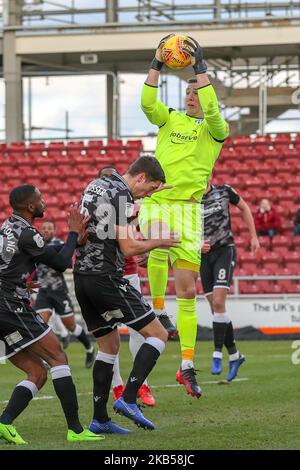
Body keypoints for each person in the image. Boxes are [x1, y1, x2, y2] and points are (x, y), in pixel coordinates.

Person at [138, 34, 229, 398]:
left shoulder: (214, 130)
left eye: (196, 93)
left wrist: (199, 66)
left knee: (189, 292)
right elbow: (147, 104)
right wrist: (157, 63)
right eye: (189, 93)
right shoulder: (169, 120)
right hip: (159, 202)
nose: (190, 97)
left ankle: (187, 366)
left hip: (191, 211)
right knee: (158, 245)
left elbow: (213, 108)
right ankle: (158, 311)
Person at [74, 156, 179, 433]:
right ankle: (129, 399)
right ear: (141, 177)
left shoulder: (96, 184)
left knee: (108, 348)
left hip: (82, 277)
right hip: (106, 277)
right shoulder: (121, 193)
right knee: (158, 334)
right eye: (151, 187)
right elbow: (130, 247)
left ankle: (99, 421)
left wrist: (136, 246)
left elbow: (101, 232)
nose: (149, 193)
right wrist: (160, 242)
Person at [0, 185, 104, 445]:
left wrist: (18, 280)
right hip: (11, 307)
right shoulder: (28, 232)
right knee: (58, 357)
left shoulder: (8, 227)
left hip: (6, 305)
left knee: (38, 372)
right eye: (40, 199)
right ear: (30, 207)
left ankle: (4, 423)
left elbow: (27, 258)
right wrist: (72, 234)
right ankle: (76, 430)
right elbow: (60, 263)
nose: (45, 202)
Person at [98, 166, 156, 407]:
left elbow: (142, 229)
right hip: (105, 275)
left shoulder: (127, 201)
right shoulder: (100, 204)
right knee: (109, 334)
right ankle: (118, 386)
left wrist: (148, 249)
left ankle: (141, 383)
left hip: (129, 273)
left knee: (139, 330)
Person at [199, 182, 260, 380]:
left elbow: (244, 207)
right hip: (202, 255)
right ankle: (235, 355)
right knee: (217, 311)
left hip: (224, 250)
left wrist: (253, 237)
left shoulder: (224, 190)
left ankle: (217, 354)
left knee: (218, 303)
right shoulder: (190, 197)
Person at [34, 220, 95, 368]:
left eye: (49, 228)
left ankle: (90, 348)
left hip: (59, 291)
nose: (46, 231)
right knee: (39, 325)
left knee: (71, 326)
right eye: (44, 228)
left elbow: (66, 262)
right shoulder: (36, 245)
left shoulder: (59, 244)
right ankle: (46, 359)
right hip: (43, 292)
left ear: (54, 231)